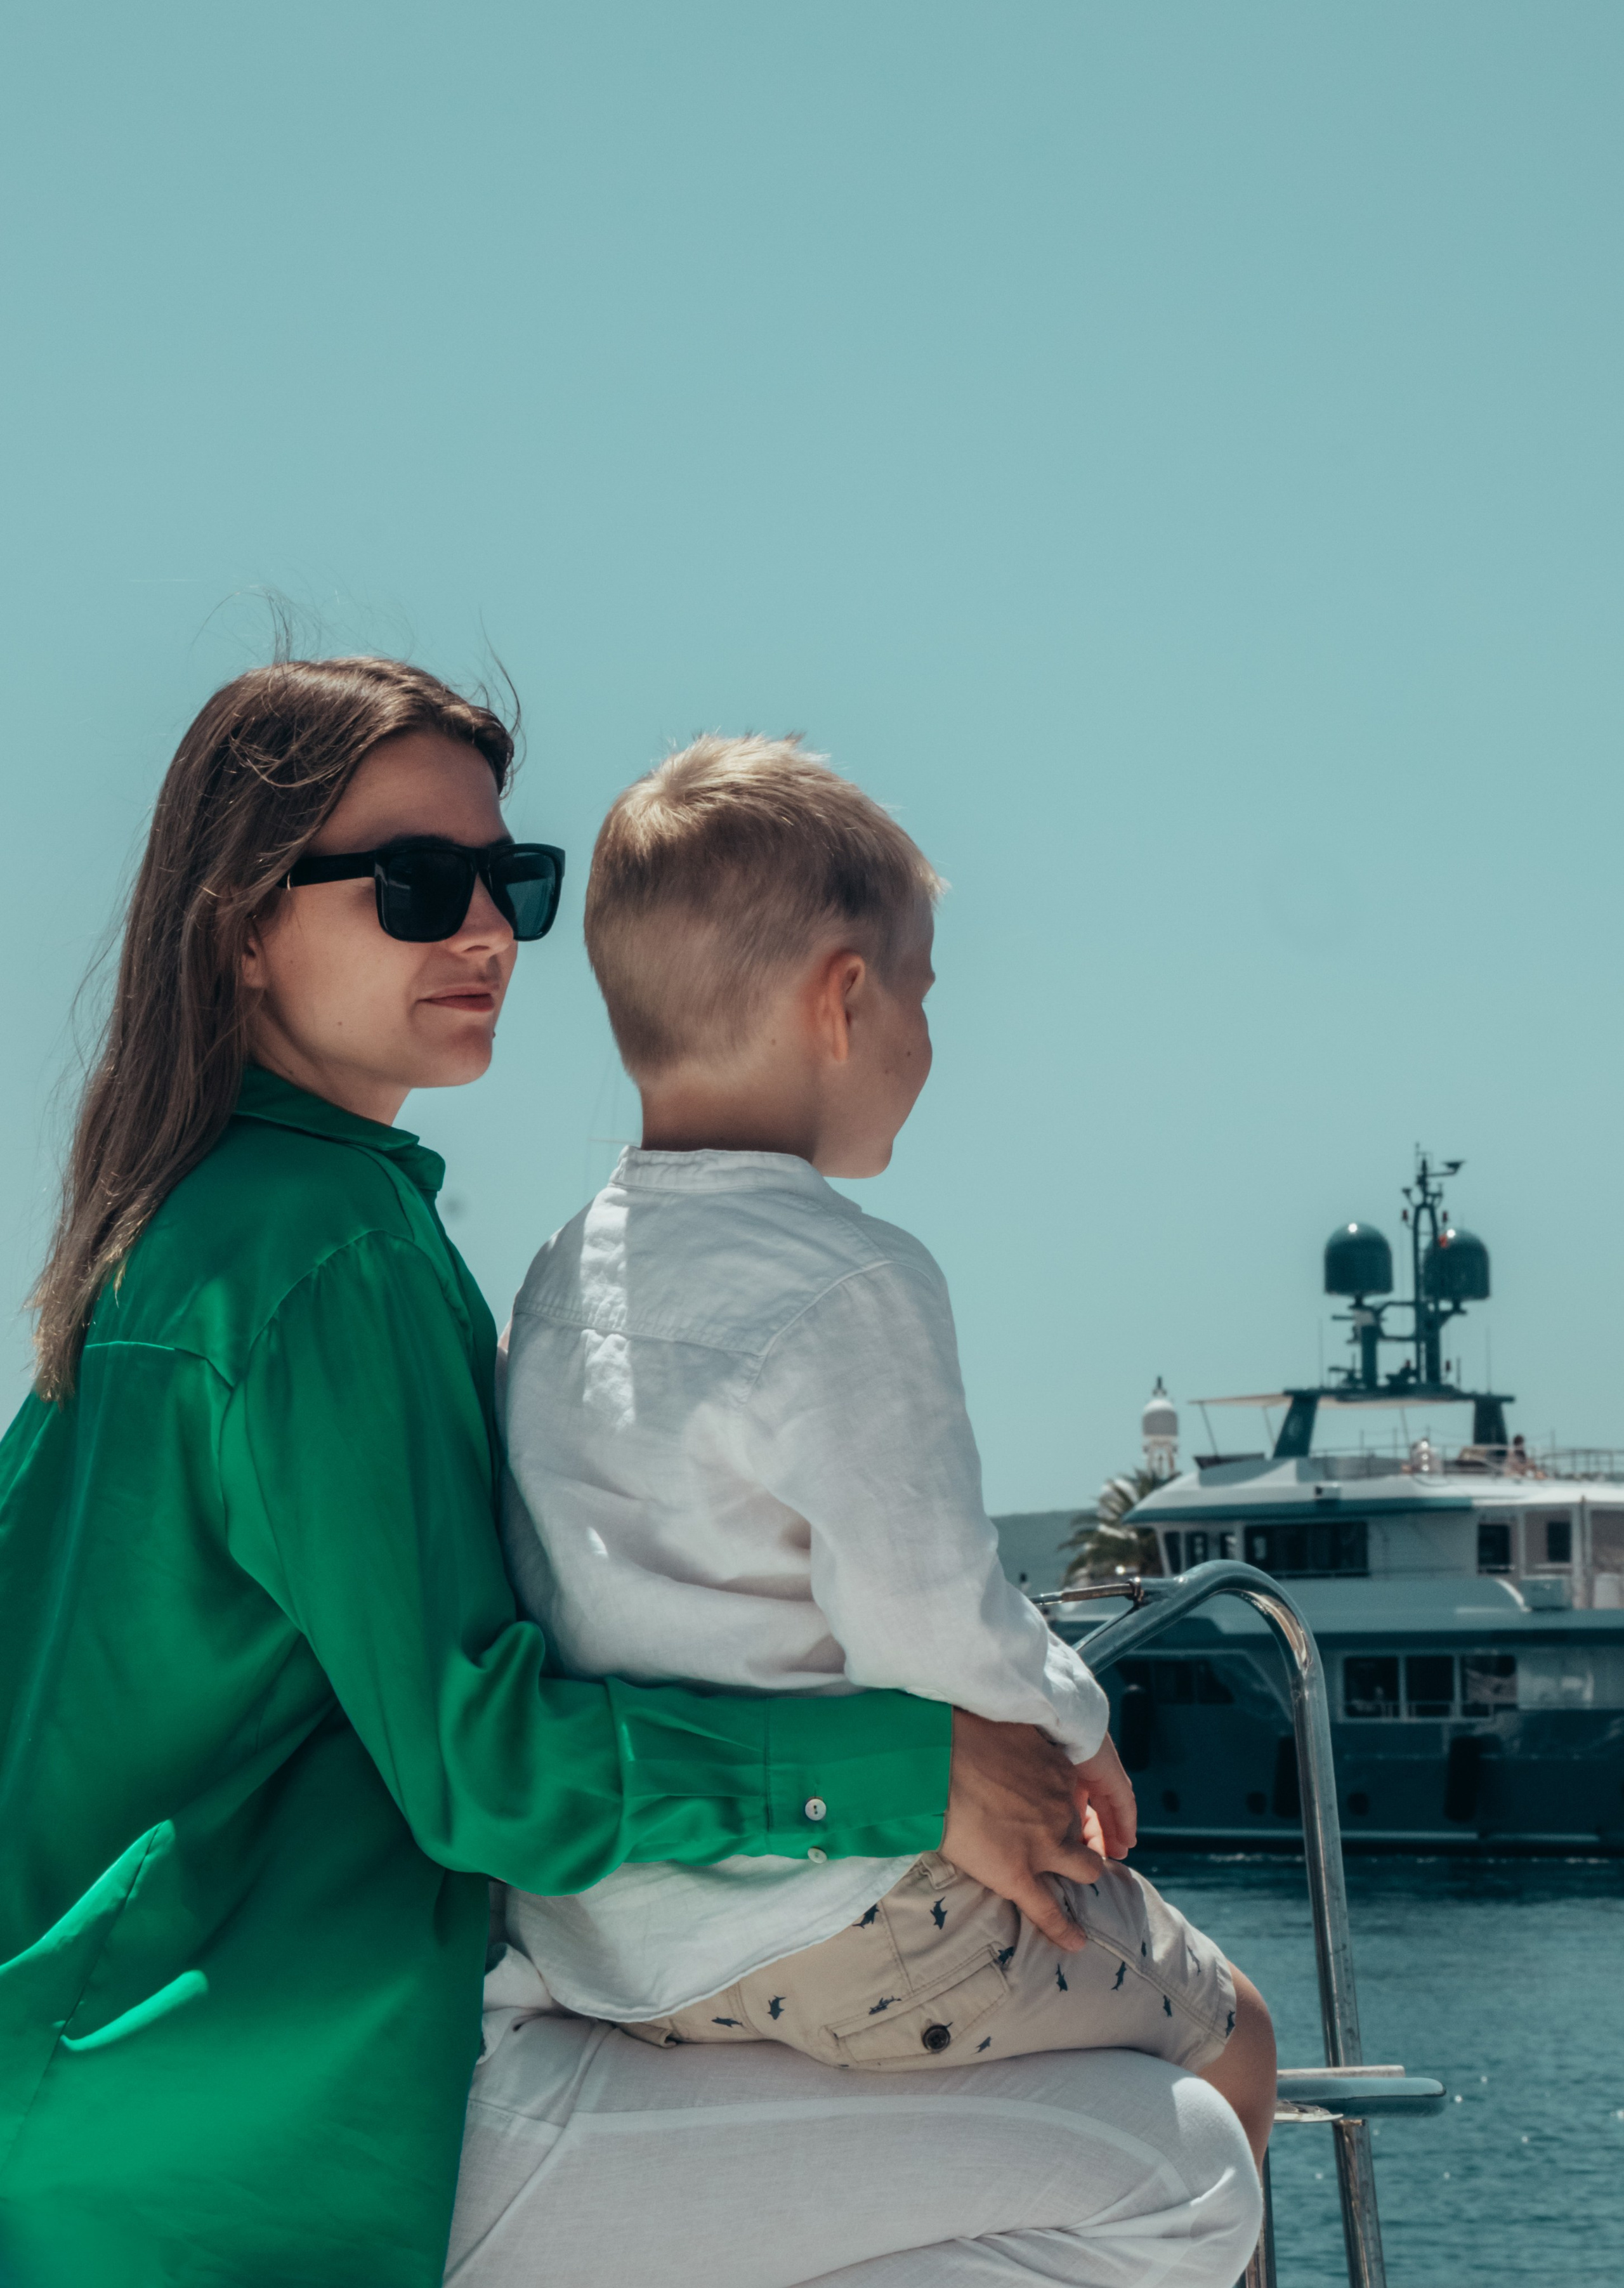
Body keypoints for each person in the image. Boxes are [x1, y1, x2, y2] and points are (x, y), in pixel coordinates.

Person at [0, 660, 1144, 2288]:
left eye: (509, 883)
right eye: (413, 884)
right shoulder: (324, 1253)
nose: (481, 932)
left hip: (90, 2090)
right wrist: (910, 1771)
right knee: (1163, 2167)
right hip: (275, 2111)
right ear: (241, 925)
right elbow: (481, 1766)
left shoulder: (167, 1238)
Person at [455, 735, 1269, 2284]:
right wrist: (1078, 1725)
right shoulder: (851, 1282)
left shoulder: (561, 1277)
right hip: (846, 1918)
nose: (928, 1034)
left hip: (609, 1948)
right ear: (840, 1001)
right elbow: (926, 1616)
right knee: (1235, 2039)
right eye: (923, 989)